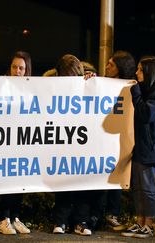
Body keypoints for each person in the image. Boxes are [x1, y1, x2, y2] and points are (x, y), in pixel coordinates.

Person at [121, 56, 155, 238]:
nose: (136, 72)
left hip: (151, 148)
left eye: (140, 69)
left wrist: (135, 92)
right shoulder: (150, 90)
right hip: (142, 146)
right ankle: (140, 221)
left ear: (149, 71)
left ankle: (149, 224)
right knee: (139, 187)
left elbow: (145, 114)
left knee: (147, 187)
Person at [90, 50, 136, 231]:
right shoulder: (102, 83)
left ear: (120, 68)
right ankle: (97, 214)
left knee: (115, 175)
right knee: (100, 176)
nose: (107, 67)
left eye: (111, 64)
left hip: (118, 139)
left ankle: (112, 214)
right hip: (100, 138)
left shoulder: (129, 87)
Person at [52, 54, 92, 236]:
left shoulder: (87, 82)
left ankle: (81, 222)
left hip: (82, 141)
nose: (71, 80)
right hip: (62, 141)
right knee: (64, 182)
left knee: (82, 183)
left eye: (74, 76)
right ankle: (60, 221)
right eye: (66, 76)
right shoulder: (50, 84)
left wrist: (94, 82)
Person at [0, 51, 31, 235]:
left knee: (20, 180)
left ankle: (15, 217)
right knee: (7, 180)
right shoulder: (1, 85)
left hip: (23, 140)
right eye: (14, 67)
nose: (17, 71)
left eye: (21, 68)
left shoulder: (32, 86)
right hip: (5, 140)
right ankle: (4, 218)